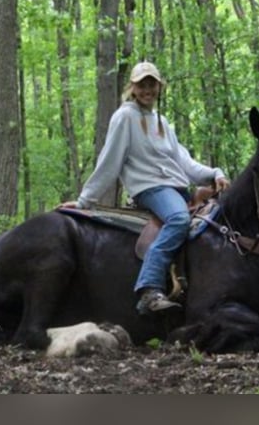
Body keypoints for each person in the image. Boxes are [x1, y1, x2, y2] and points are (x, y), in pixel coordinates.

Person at [61, 61, 230, 315]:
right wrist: (85, 201)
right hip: (151, 188)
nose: (147, 90)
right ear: (133, 87)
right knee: (178, 219)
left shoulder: (162, 122)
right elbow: (109, 162)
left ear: (159, 87)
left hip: (176, 188)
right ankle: (149, 289)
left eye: (151, 84)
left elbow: (185, 163)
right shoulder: (125, 116)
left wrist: (216, 173)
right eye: (142, 85)